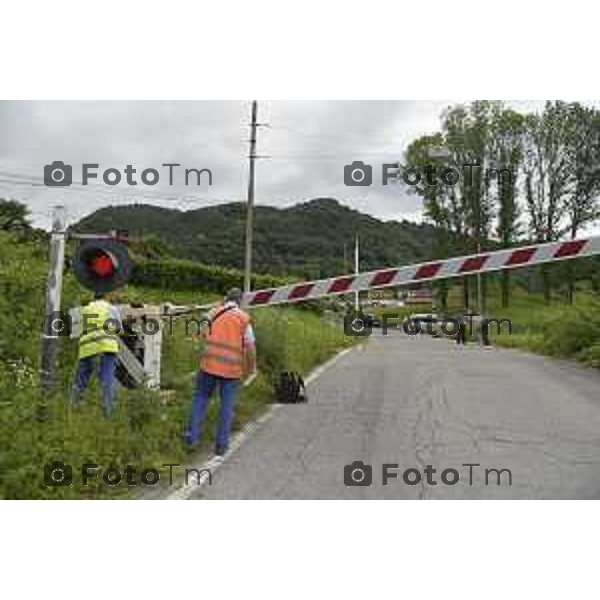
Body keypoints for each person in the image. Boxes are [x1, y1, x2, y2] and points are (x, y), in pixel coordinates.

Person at [187, 287, 257, 456]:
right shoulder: (243, 318)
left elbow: (200, 332)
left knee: (200, 398)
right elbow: (250, 348)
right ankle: (221, 446)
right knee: (226, 405)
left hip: (209, 365)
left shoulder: (213, 312)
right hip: (231, 369)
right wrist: (251, 368)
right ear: (240, 301)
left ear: (226, 298)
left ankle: (192, 439)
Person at [72, 292, 121, 418]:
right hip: (106, 347)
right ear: (107, 296)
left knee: (80, 382)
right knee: (107, 380)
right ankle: (109, 415)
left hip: (86, 348)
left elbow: (77, 329)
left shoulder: (85, 309)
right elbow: (118, 328)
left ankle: (73, 411)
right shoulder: (110, 308)